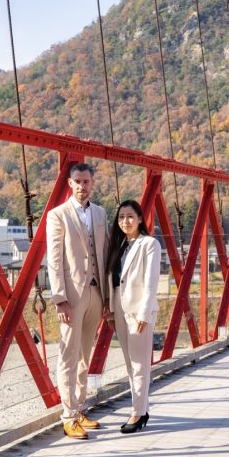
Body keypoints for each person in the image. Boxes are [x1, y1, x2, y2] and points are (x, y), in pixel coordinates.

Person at [46, 162, 109, 439]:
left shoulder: (100, 213)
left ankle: (79, 408)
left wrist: (108, 297)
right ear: (70, 184)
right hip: (72, 295)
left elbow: (105, 253)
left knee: (85, 355)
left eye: (87, 181)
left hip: (96, 292)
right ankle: (68, 416)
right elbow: (54, 260)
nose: (82, 186)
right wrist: (60, 298)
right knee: (68, 355)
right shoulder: (57, 215)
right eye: (78, 182)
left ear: (92, 183)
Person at [105, 199, 161, 434]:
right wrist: (110, 309)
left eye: (130, 216)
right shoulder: (119, 246)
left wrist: (144, 313)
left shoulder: (150, 244)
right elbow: (113, 281)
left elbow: (151, 282)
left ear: (139, 219)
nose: (125, 221)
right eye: (121, 217)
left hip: (138, 310)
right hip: (119, 308)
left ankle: (137, 413)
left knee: (139, 364)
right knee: (130, 363)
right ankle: (142, 409)